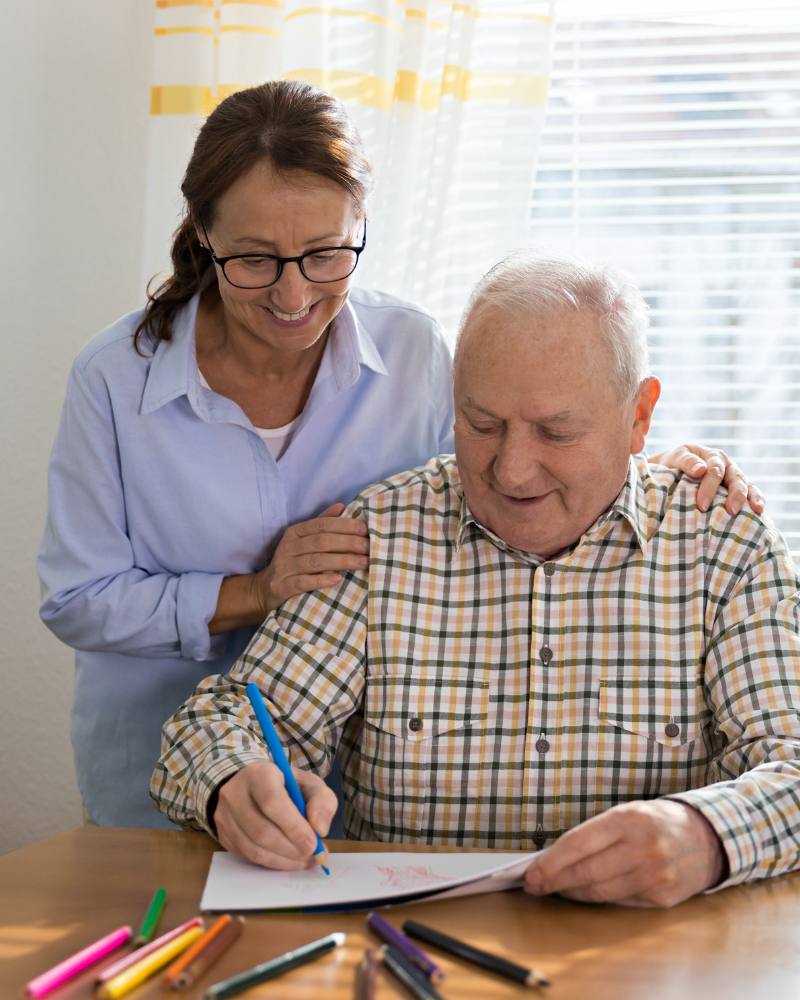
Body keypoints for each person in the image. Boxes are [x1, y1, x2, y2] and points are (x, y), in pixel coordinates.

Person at [39, 80, 756, 830]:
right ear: (204, 238)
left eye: (324, 255)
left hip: (346, 789)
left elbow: (496, 489)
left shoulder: (411, 350)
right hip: (163, 774)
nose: (292, 296)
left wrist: (635, 459)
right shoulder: (115, 378)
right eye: (254, 259)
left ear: (362, 227)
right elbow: (77, 598)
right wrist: (260, 589)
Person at [151, 251, 800, 908]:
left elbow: (792, 763)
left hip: (655, 961)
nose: (512, 471)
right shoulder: (380, 537)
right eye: (483, 424)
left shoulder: (726, 547)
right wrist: (232, 782)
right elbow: (214, 725)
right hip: (412, 951)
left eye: (556, 431)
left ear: (639, 416)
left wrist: (709, 836)